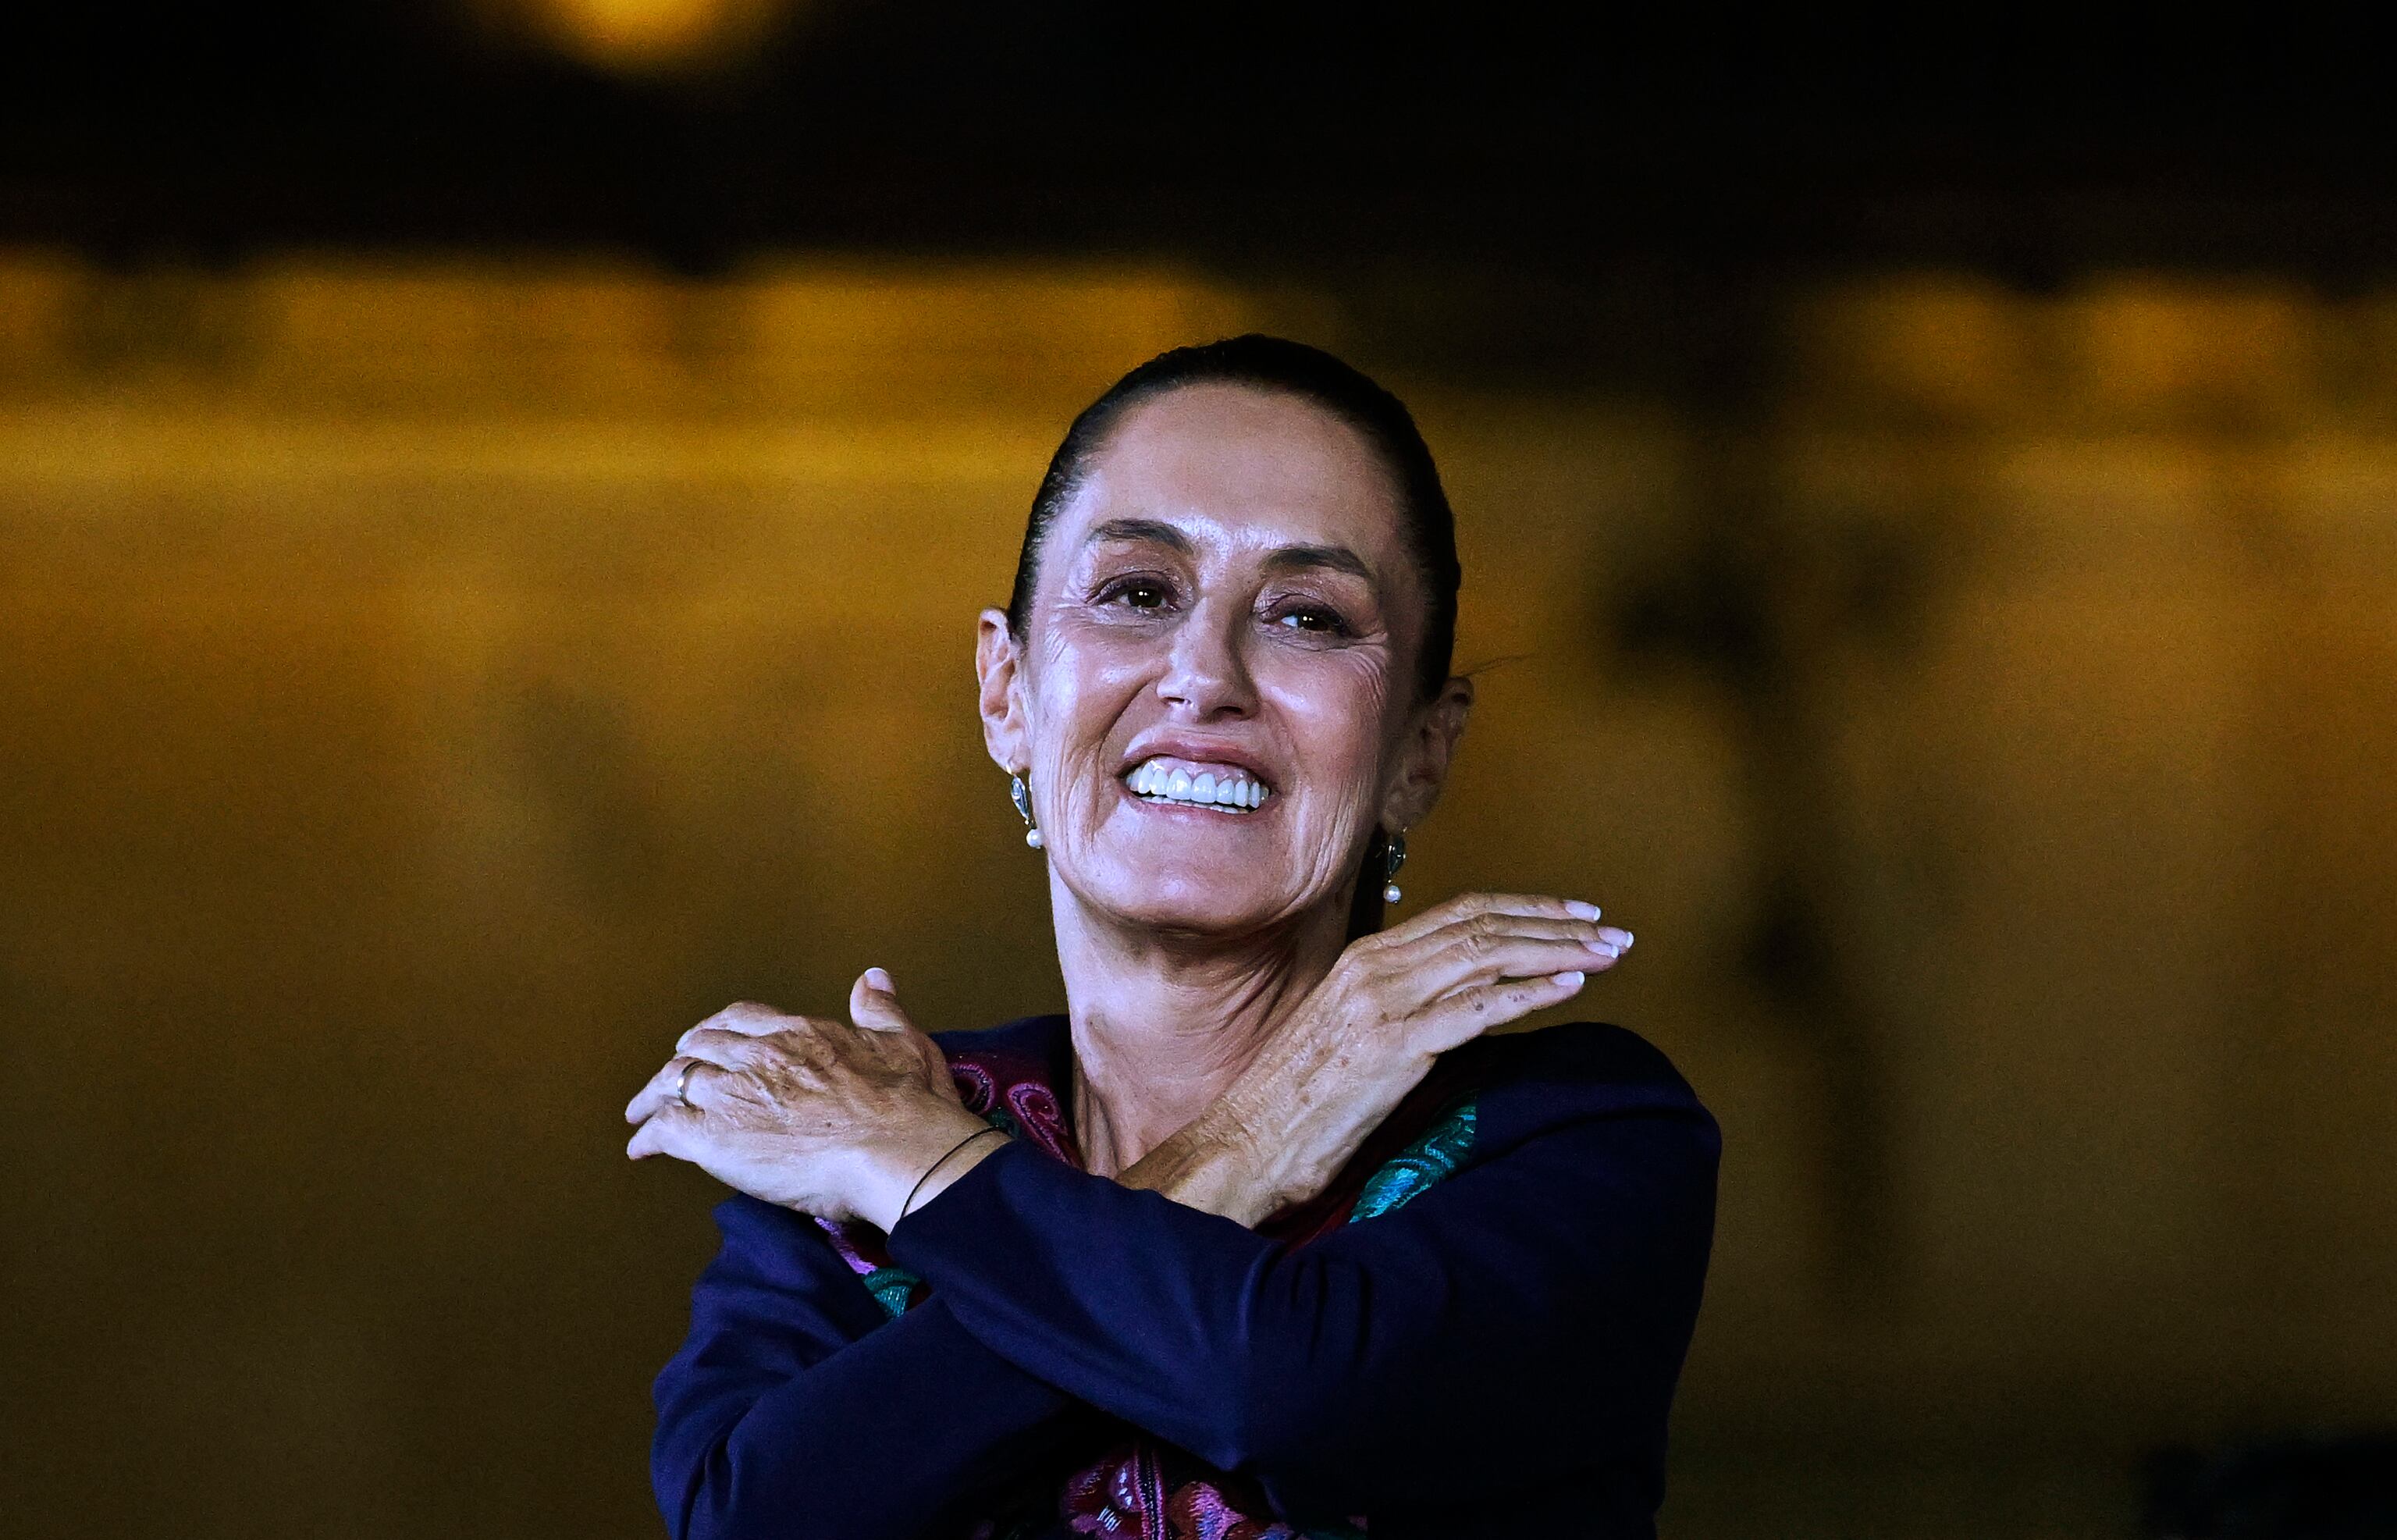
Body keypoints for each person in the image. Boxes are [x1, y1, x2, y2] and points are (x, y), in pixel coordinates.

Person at [624, 336, 1719, 1539]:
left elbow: (1294, 1394)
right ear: (1008, 695)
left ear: (1421, 750)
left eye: (1307, 615)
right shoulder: (851, 1145)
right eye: (1138, 592)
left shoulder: (1579, 1140)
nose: (1205, 674)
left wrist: (930, 1175)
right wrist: (1241, 1152)